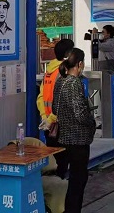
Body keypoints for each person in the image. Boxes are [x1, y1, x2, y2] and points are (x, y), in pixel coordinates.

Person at [52, 48, 96, 213]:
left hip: (62, 137)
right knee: (78, 180)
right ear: (80, 64)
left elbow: (55, 108)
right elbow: (80, 114)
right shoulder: (75, 83)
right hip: (78, 139)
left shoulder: (60, 81)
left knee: (66, 178)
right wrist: (91, 123)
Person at [37, 38, 74, 179]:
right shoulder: (64, 72)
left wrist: (45, 117)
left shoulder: (49, 71)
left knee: (54, 159)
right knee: (63, 162)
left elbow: (41, 96)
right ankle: (59, 189)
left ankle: (54, 186)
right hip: (60, 124)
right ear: (68, 54)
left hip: (49, 125)